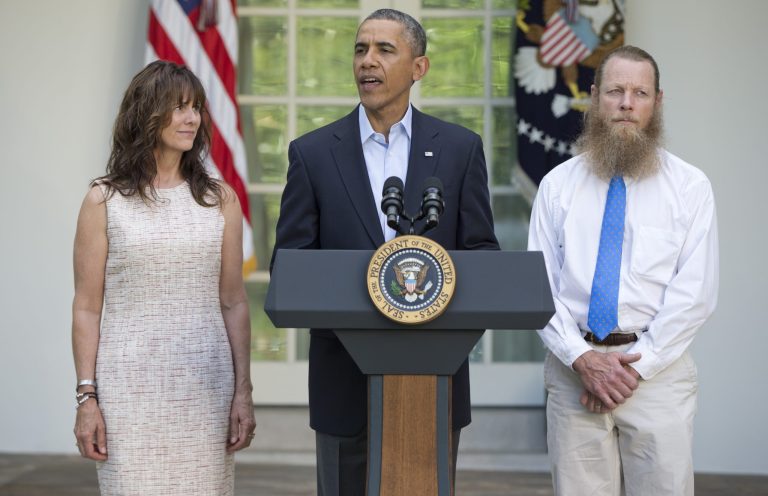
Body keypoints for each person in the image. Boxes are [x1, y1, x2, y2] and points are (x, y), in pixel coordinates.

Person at [271, 9, 499, 496]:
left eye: (384, 50)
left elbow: (482, 258)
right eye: (360, 49)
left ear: (420, 68)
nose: (367, 61)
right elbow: (290, 268)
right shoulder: (312, 154)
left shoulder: (460, 150)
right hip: (343, 385)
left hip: (433, 383)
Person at [528, 45, 719, 496]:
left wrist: (630, 369)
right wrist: (583, 360)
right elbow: (537, 287)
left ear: (657, 101)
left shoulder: (691, 187)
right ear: (594, 98)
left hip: (657, 374)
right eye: (615, 91)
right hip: (573, 371)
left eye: (640, 92)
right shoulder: (557, 186)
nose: (627, 104)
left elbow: (696, 294)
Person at [71, 60, 256, 495]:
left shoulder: (220, 199)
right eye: (178, 107)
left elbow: (233, 301)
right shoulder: (104, 199)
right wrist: (86, 398)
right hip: (127, 390)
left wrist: (242, 391)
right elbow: (86, 307)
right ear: (145, 114)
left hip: (205, 388)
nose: (191, 118)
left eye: (196, 108)